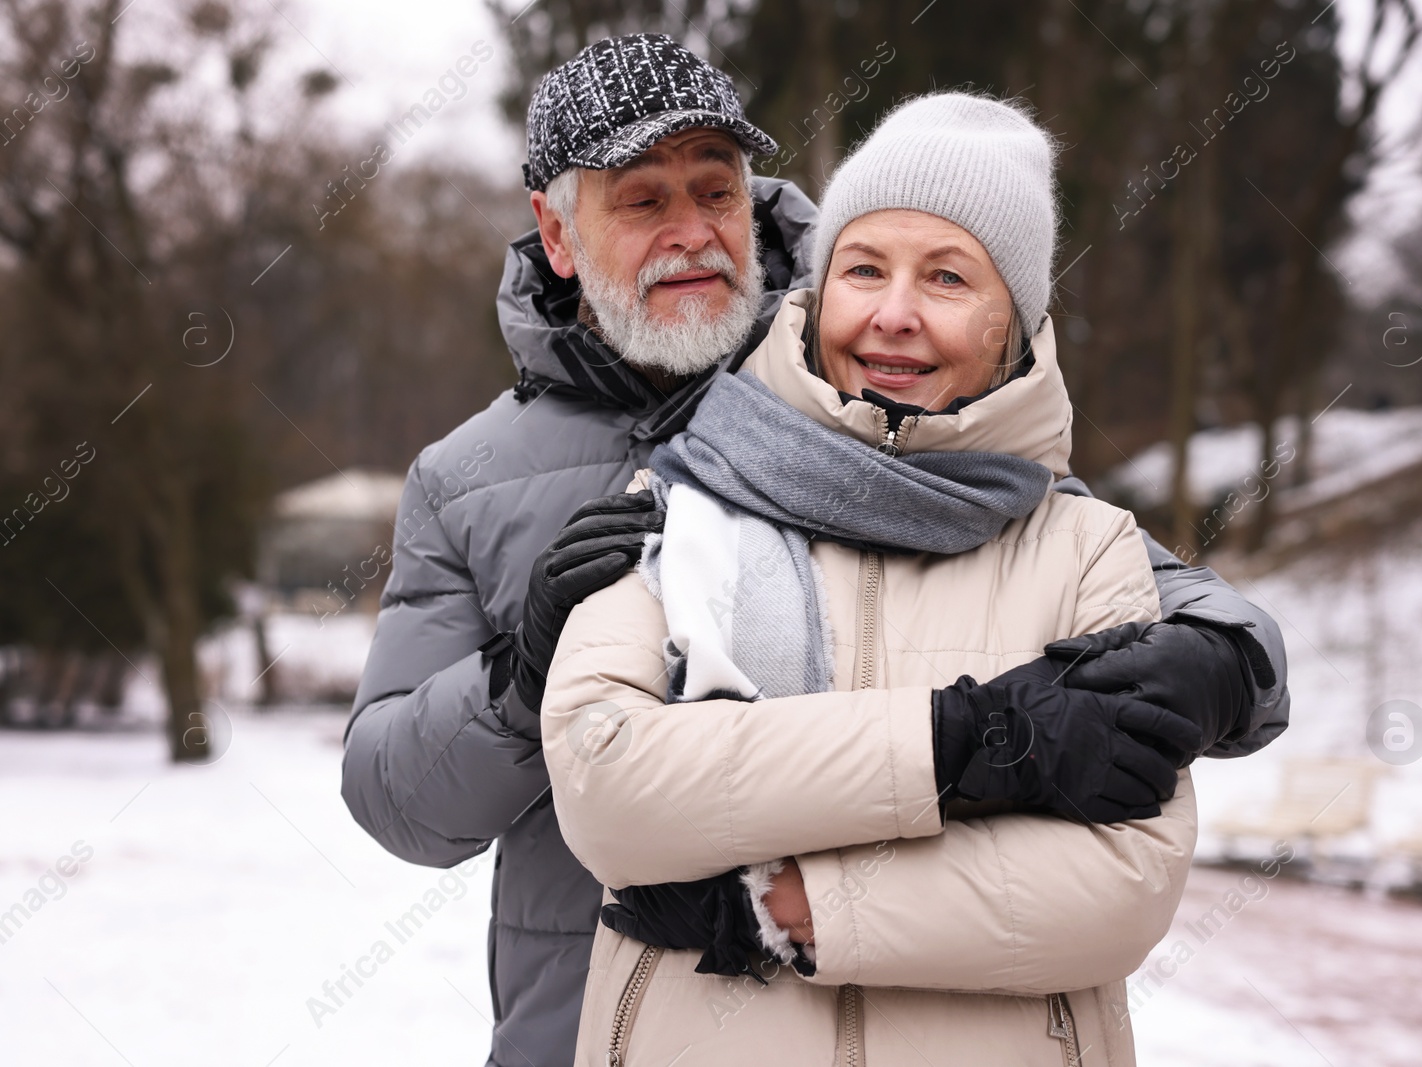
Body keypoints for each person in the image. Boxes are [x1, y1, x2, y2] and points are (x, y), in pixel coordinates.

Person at [341, 35, 1288, 1067]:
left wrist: (1226, 658)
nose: (692, 233)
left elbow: (1069, 545)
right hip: (581, 1026)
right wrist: (518, 686)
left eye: (715, 190)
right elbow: (399, 800)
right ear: (557, 233)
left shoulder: (877, 379)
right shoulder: (466, 480)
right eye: (642, 200)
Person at [540, 90, 1199, 1067]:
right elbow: (607, 779)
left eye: (945, 277)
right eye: (862, 269)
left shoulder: (1086, 547)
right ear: (817, 291)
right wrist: (958, 744)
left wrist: (801, 903)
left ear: (1011, 321)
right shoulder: (690, 491)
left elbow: (1124, 880)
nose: (893, 315)